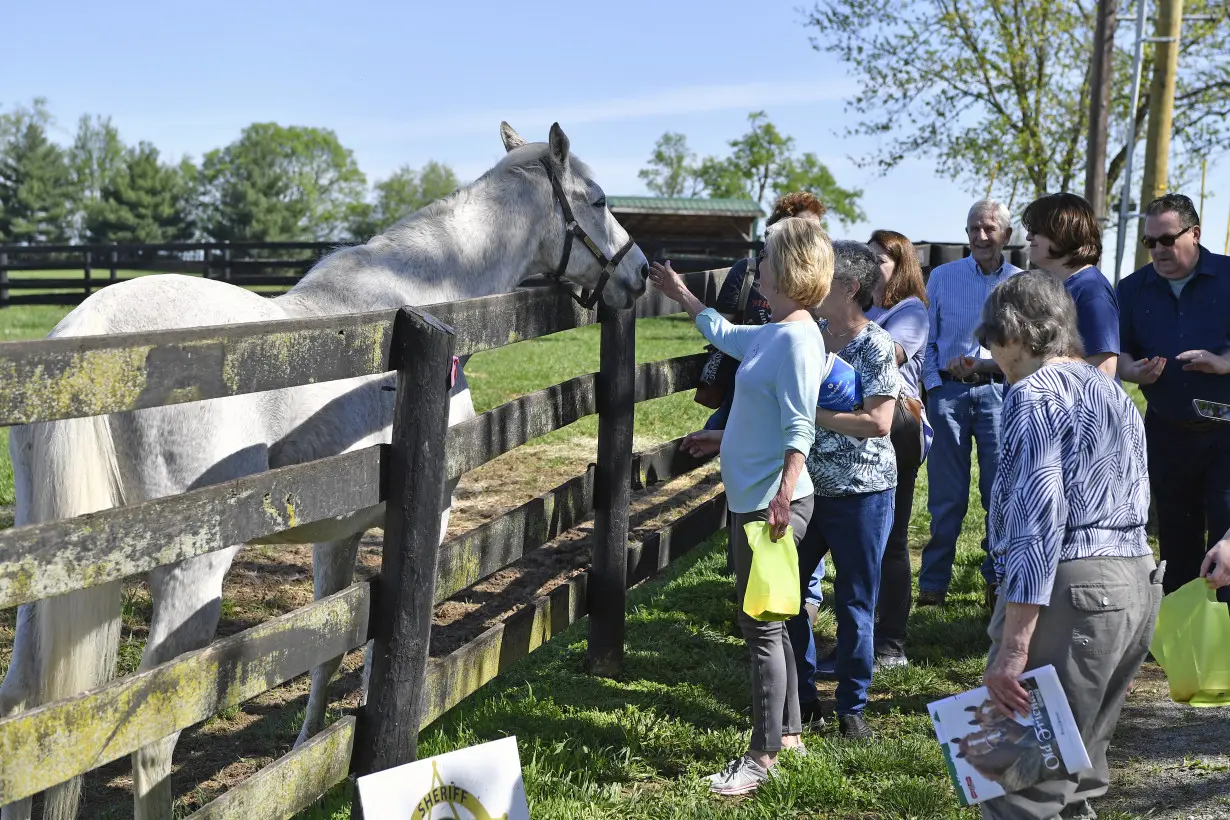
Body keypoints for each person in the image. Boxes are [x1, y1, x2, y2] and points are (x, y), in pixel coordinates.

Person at [647, 216, 834, 795]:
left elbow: (801, 426)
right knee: (773, 622)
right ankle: (791, 734)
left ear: (790, 269)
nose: (760, 270)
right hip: (755, 501)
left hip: (770, 509)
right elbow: (726, 334)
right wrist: (681, 294)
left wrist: (781, 496)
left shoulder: (799, 342)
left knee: (761, 628)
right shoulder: (778, 332)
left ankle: (760, 756)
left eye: (768, 259)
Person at [976, 271, 1162, 820]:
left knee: (1018, 784)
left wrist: (1013, 647)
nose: (991, 352)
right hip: (1136, 583)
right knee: (1076, 774)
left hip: (1075, 587)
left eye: (991, 337)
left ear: (1013, 331)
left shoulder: (1032, 393)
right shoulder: (1112, 392)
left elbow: (1039, 519)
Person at [787, 239, 900, 740]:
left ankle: (852, 707)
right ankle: (803, 698)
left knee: (855, 600)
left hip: (862, 493)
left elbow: (879, 422)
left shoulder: (875, 344)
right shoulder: (807, 334)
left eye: (823, 274)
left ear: (850, 287)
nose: (811, 282)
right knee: (788, 595)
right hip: (808, 492)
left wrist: (808, 416)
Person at [1116, 193, 1230, 594]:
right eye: (1150, 243)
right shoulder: (1131, 289)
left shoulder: (1229, 276)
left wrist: (1224, 362)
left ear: (1194, 234)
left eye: (1167, 240)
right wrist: (1131, 370)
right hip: (1167, 432)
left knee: (1227, 540)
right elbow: (1118, 350)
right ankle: (1182, 645)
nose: (1158, 251)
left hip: (1225, 431)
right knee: (1177, 543)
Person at [919, 200, 1023, 608]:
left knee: (999, 493)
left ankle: (996, 582)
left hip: (1000, 394)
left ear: (1007, 236)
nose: (981, 237)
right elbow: (926, 340)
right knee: (947, 496)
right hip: (949, 396)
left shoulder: (1019, 284)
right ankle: (933, 585)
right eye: (974, 229)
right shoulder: (942, 277)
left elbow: (1025, 348)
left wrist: (991, 368)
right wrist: (934, 386)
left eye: (990, 229)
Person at [864, 228, 932, 667]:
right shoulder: (861, 308)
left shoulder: (912, 313)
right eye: (866, 260)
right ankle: (863, 639)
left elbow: (883, 355)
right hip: (859, 436)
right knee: (862, 540)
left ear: (900, 267)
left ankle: (892, 644)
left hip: (895, 437)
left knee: (891, 540)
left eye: (880, 261)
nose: (871, 269)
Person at [703, 192, 827, 431]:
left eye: (818, 230)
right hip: (749, 382)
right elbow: (724, 326)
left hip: (800, 383)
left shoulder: (824, 279)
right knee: (714, 435)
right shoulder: (748, 271)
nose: (814, 237)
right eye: (805, 229)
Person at [1021, 192, 1119, 377]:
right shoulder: (1054, 286)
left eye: (1035, 230)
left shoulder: (1091, 289)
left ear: (1061, 231)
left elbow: (1104, 369)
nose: (1028, 237)